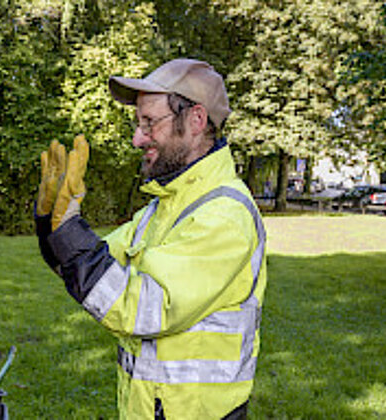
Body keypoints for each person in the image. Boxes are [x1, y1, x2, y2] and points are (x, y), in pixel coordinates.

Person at [35, 58, 267, 419]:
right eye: (138, 123)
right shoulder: (164, 208)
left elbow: (139, 308)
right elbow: (91, 271)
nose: (137, 138)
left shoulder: (223, 215)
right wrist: (50, 221)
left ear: (196, 120)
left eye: (149, 122)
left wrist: (69, 230)